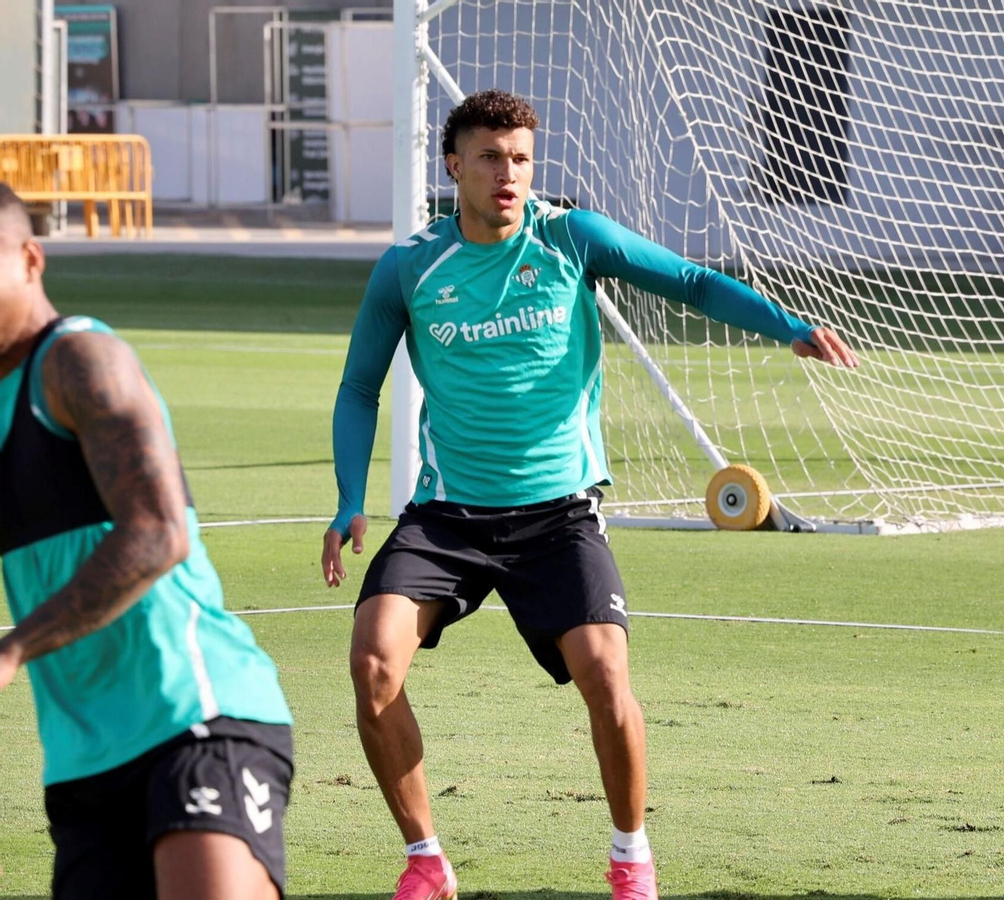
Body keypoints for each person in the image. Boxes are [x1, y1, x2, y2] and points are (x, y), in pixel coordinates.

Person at [321, 89, 858, 900]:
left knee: (607, 677)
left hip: (559, 514)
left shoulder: (572, 238)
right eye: (493, 157)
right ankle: (426, 861)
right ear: (454, 164)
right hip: (446, 518)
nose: (510, 174)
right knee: (372, 665)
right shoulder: (410, 266)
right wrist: (347, 498)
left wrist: (785, 325)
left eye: (523, 159)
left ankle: (631, 857)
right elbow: (360, 387)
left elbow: (690, 281)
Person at [0, 182, 295, 900]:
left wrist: (12, 648)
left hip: (194, 716)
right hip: (82, 758)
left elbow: (157, 531)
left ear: (31, 258)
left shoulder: (76, 360)